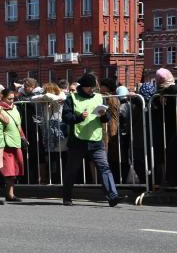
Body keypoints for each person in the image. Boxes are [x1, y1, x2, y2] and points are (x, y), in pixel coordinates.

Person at [61, 73, 125, 207]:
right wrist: (79, 117)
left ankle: (112, 196)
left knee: (104, 168)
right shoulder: (72, 98)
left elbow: (106, 119)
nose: (92, 89)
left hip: (96, 139)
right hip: (78, 140)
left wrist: (104, 115)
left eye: (93, 87)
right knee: (72, 170)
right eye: (89, 87)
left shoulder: (99, 98)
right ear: (82, 87)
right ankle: (67, 197)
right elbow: (66, 117)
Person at [31, 83, 67, 184]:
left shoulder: (60, 98)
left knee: (60, 155)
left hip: (59, 130)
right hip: (49, 131)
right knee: (52, 156)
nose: (43, 93)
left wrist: (48, 95)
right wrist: (45, 96)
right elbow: (33, 98)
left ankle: (61, 179)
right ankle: (54, 179)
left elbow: (53, 97)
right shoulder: (51, 98)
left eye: (45, 90)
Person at [0, 89, 26, 201]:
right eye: (9, 99)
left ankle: (10, 194)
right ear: (3, 98)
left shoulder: (15, 108)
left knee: (14, 170)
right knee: (8, 170)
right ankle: (6, 194)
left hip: (16, 142)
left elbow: (18, 125)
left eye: (12, 99)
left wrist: (23, 136)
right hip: (5, 144)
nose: (11, 101)